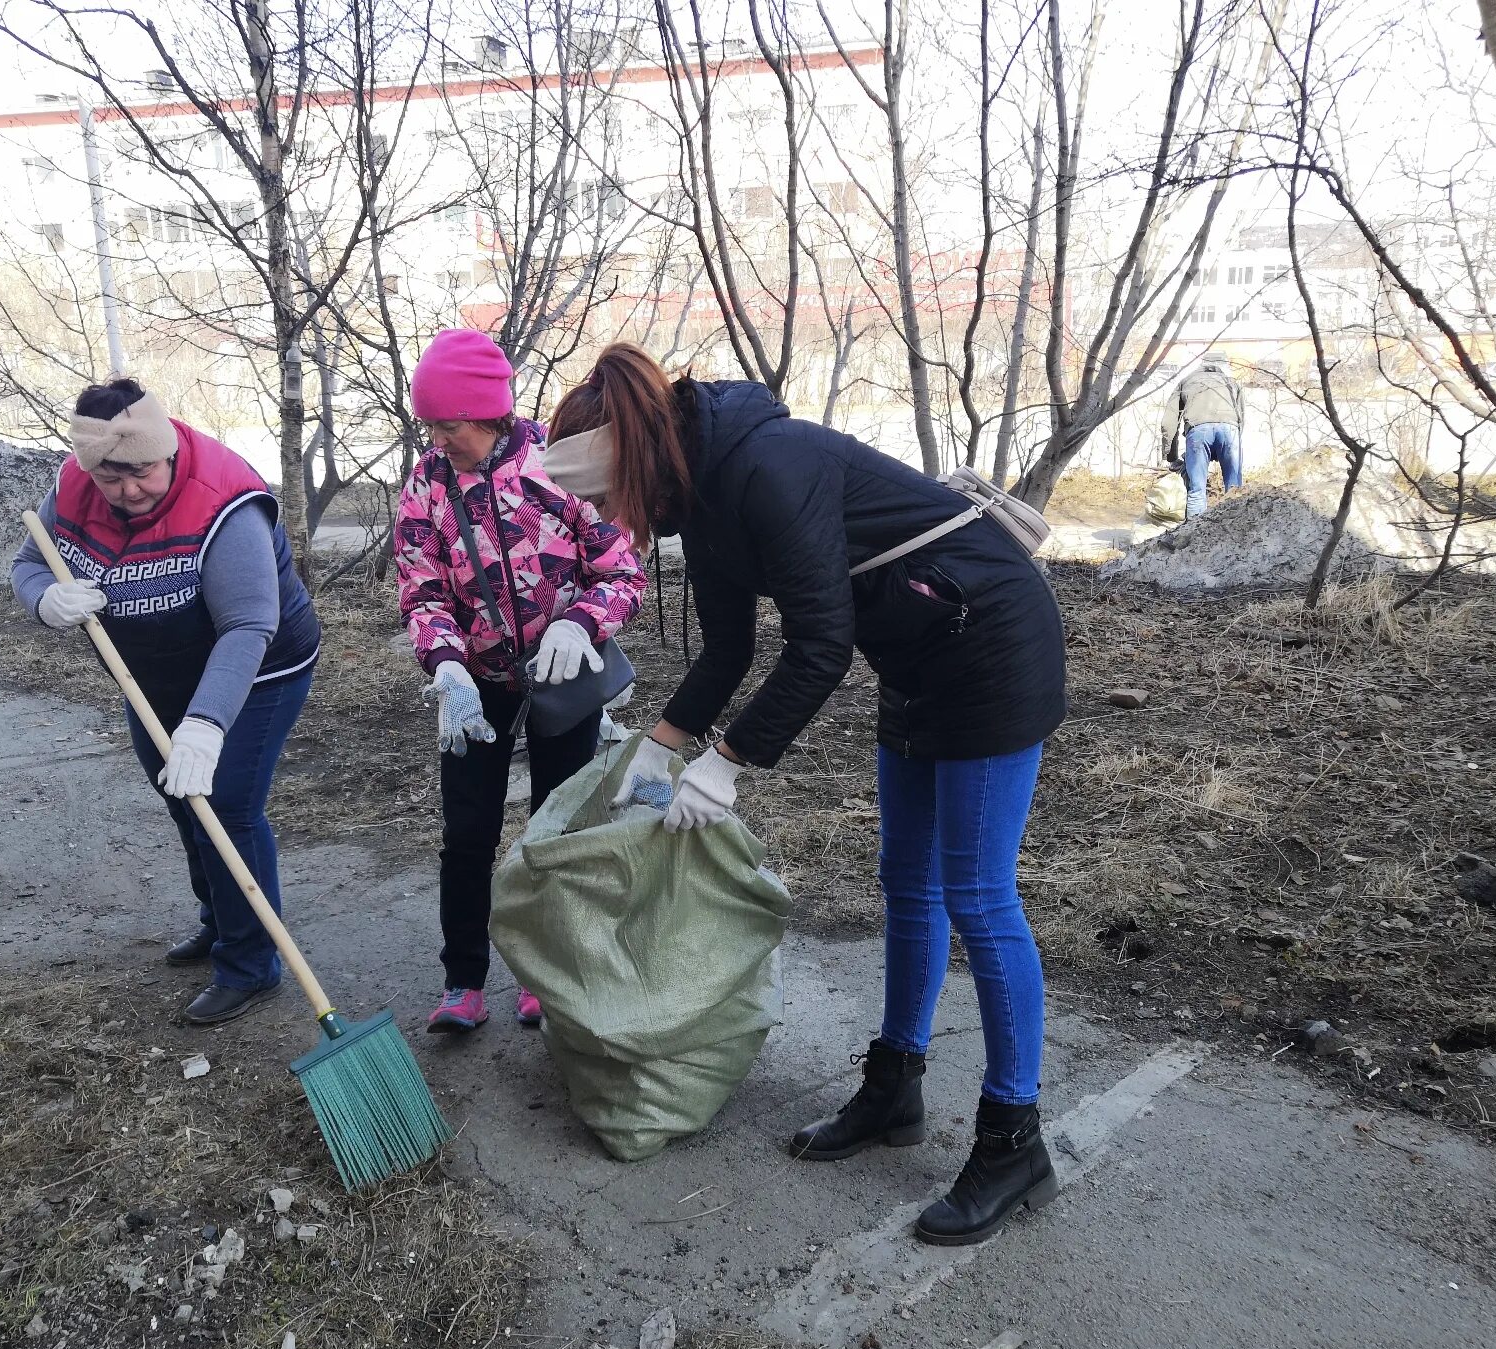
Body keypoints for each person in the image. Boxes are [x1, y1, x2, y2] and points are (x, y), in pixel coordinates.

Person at [551, 343, 1067, 1247]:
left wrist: (729, 764)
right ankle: (893, 1088)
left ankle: (1013, 1140)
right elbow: (726, 651)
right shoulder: (700, 495)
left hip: (992, 649)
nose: (601, 515)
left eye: (597, 496)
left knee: (977, 896)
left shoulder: (766, 467)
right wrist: (660, 750)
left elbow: (819, 646)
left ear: (626, 461)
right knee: (904, 880)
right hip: (915, 653)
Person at [11, 377, 321, 1025]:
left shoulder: (224, 500)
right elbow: (29, 558)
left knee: (226, 803)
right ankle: (220, 918)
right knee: (177, 794)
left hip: (257, 668)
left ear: (168, 452)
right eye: (110, 479)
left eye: (142, 473)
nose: (127, 492)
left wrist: (207, 727)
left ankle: (250, 963)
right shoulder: (72, 488)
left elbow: (247, 626)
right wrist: (44, 598)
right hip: (153, 676)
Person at [395, 329, 646, 1035]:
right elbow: (421, 590)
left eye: (450, 425)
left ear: (491, 414)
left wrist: (581, 624)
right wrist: (444, 663)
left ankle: (545, 972)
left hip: (561, 681)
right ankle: (462, 981)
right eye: (432, 427)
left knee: (554, 831)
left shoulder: (560, 466)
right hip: (472, 691)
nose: (440, 439)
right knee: (467, 833)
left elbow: (623, 574)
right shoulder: (427, 481)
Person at [1161, 349, 1244, 519]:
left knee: (1197, 489)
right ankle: (1236, 533)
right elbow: (1241, 419)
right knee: (1234, 488)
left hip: (1198, 431)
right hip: (1230, 430)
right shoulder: (1232, 383)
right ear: (1224, 365)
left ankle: (1194, 536)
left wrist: (1171, 456)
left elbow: (1168, 422)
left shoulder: (1187, 381)